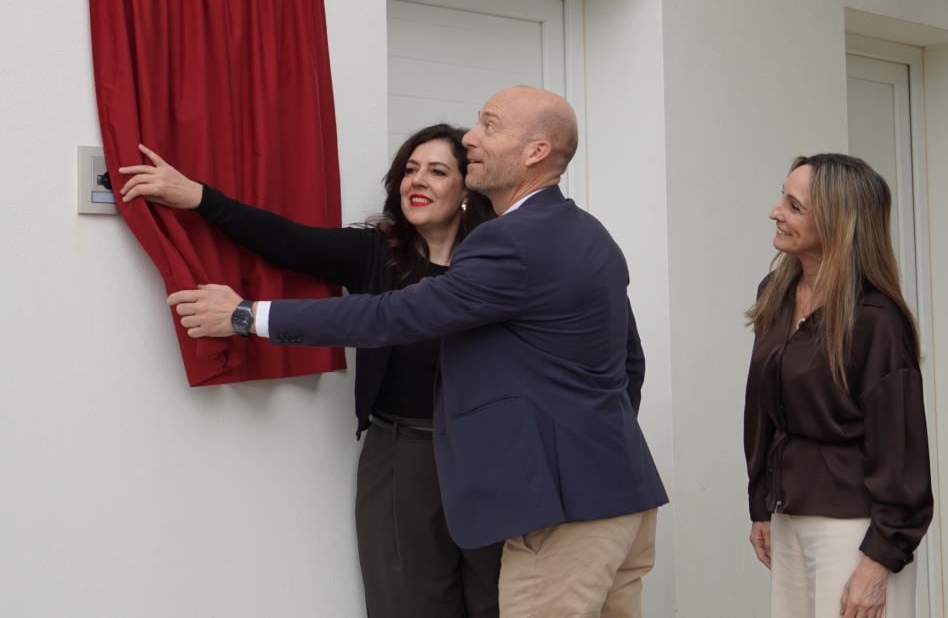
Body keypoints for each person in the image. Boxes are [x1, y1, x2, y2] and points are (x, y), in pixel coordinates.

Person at [165, 86, 669, 618]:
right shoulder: (588, 234)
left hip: (563, 512)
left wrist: (248, 315)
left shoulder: (512, 242)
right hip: (619, 493)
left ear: (536, 151)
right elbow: (627, 363)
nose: (470, 138)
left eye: (489, 126)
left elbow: (393, 315)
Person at [118, 124, 501, 618]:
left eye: (437, 171)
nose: (417, 182)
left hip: (485, 453)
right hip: (401, 454)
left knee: (498, 599)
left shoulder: (494, 265)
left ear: (467, 188)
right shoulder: (377, 253)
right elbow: (285, 241)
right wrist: (196, 196)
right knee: (409, 602)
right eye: (409, 170)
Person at [743, 154, 933, 618]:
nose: (775, 212)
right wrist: (761, 503)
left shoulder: (877, 321)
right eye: (781, 198)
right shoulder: (776, 293)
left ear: (837, 222)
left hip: (856, 530)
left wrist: (878, 562)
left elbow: (901, 450)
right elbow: (762, 408)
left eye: (794, 205)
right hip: (788, 516)